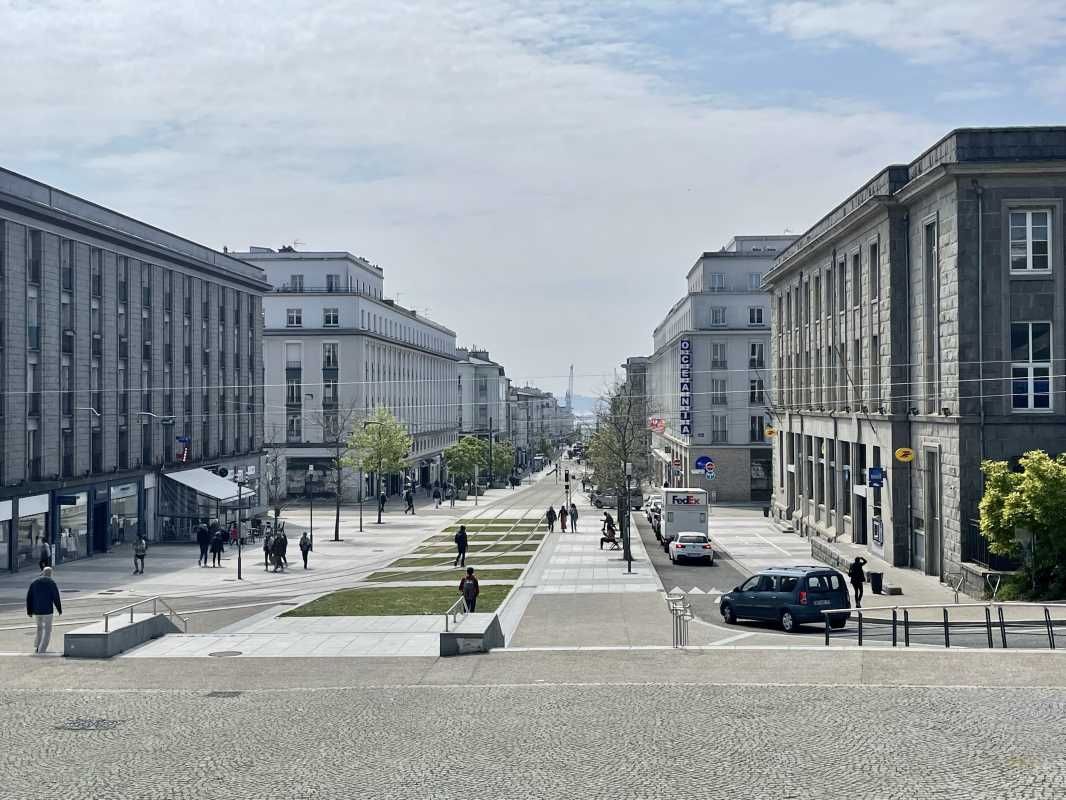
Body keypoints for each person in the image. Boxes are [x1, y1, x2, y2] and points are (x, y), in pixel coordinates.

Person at [26, 567, 62, 654]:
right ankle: (42, 649)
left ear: (43, 573)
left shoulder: (34, 582)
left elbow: (29, 597)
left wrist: (29, 611)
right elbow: (56, 597)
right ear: (51, 574)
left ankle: (37, 646)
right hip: (48, 611)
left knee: (39, 628)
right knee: (47, 630)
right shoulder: (52, 583)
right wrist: (59, 609)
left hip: (37, 611)